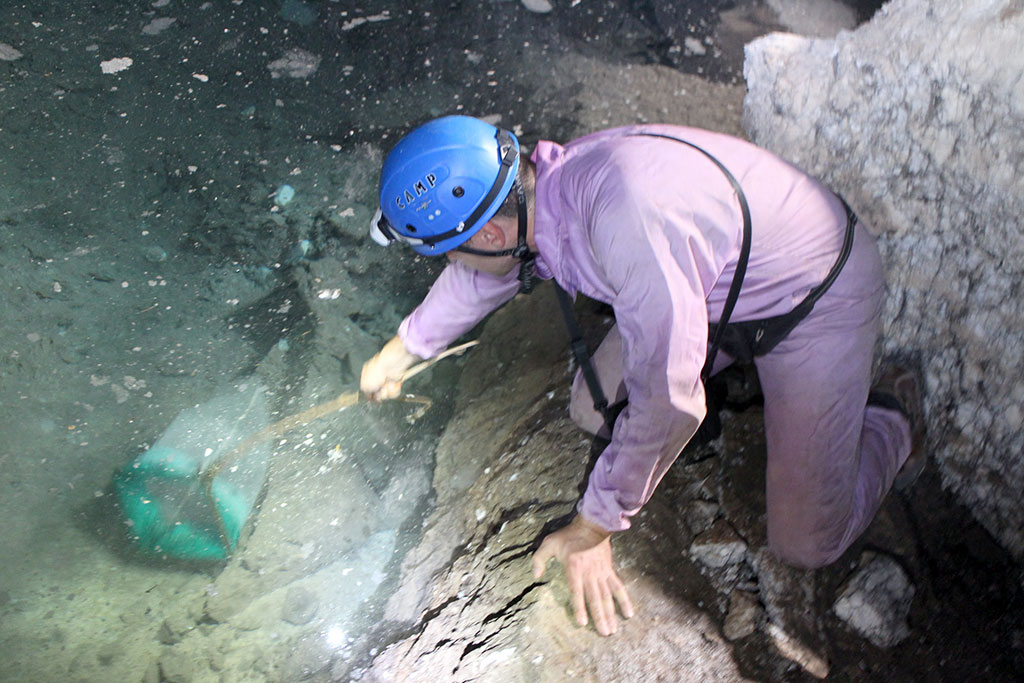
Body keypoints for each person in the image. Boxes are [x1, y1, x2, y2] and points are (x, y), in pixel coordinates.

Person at [359, 115, 924, 637]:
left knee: (805, 542)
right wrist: (404, 349)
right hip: (714, 287)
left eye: (449, 253)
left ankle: (893, 419)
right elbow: (491, 270)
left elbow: (668, 404)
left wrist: (595, 525)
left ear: (486, 237)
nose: (452, 264)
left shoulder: (623, 218)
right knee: (591, 406)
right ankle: (749, 376)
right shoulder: (538, 191)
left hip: (813, 296)